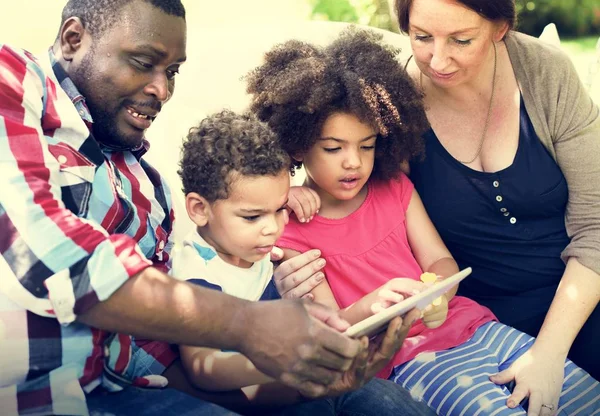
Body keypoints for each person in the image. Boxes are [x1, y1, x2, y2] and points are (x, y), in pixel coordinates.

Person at [0, 1, 414, 415]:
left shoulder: (148, 186)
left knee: (371, 399)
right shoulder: (14, 81)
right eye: (143, 62)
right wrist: (246, 325)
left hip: (137, 385)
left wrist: (304, 384)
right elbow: (49, 256)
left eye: (172, 72)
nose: (161, 90)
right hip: (46, 394)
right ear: (74, 39)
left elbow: (164, 355)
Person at [245, 27, 600, 416]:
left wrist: (434, 294)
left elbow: (440, 262)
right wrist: (375, 306)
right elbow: (333, 326)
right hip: (407, 358)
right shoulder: (292, 231)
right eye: (333, 148)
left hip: (473, 326)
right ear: (296, 145)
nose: (354, 161)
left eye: (367, 145)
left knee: (577, 395)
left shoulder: (395, 188)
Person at [170, 108, 434, 415]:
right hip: (267, 397)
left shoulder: (262, 246)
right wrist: (285, 358)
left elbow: (328, 320)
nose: (273, 228)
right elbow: (203, 369)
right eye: (253, 216)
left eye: (280, 209)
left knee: (398, 405)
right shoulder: (196, 273)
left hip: (314, 379)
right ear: (200, 209)